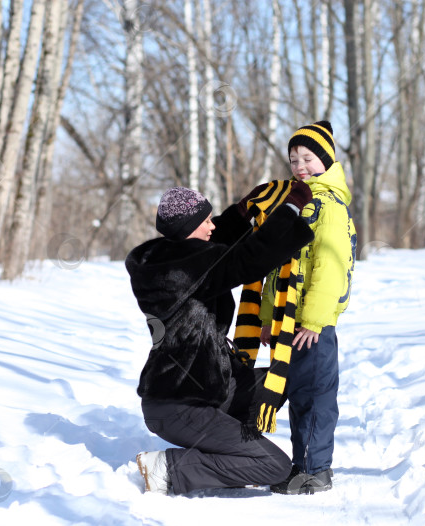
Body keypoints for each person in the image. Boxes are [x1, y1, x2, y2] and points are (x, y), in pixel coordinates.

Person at [126, 184, 314, 495]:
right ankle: (169, 469)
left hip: (205, 389)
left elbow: (214, 248)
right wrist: (290, 209)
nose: (213, 226)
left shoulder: (170, 260)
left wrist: (242, 212)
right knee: (275, 467)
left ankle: (229, 452)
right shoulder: (181, 269)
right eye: (207, 220)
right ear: (187, 227)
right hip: (179, 404)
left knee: (277, 382)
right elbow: (247, 259)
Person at [259, 120, 356, 494]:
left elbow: (328, 269)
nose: (300, 165)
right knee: (298, 396)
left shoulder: (329, 207)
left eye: (309, 157)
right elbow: (277, 264)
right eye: (294, 158)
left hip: (313, 326)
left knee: (315, 397)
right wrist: (268, 317)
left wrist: (314, 321)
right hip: (288, 323)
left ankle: (317, 470)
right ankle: (301, 465)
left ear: (327, 161)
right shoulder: (297, 203)